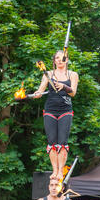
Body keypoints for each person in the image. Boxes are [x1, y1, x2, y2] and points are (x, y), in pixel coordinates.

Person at [33, 50, 79, 181]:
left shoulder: (72, 74)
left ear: (67, 60)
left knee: (62, 142)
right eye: (57, 58)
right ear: (54, 61)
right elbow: (41, 89)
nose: (59, 60)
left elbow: (73, 93)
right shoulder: (48, 74)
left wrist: (64, 86)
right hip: (50, 110)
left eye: (62, 58)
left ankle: (60, 171)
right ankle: (54, 170)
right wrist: (37, 93)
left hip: (65, 110)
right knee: (52, 141)